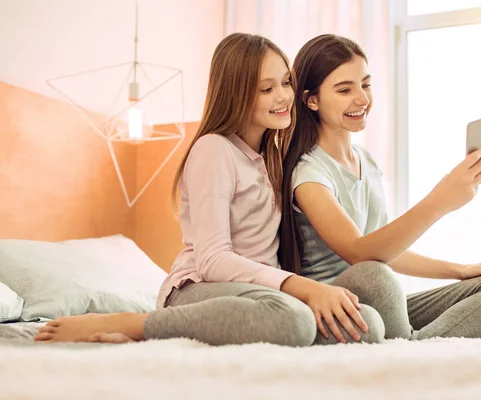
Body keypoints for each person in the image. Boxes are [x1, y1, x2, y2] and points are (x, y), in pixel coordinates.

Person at [34, 33, 383, 346]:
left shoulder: (272, 156)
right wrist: (300, 286)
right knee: (292, 319)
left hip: (257, 294)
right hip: (198, 290)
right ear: (236, 94)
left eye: (286, 82)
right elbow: (213, 260)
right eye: (266, 89)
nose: (283, 97)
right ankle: (134, 323)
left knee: (364, 322)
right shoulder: (214, 150)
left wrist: (314, 291)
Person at [279, 34, 481, 341]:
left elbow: (387, 251)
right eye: (345, 89)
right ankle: (411, 344)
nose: (362, 99)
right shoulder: (308, 172)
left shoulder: (365, 161)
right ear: (311, 100)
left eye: (365, 85)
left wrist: (461, 270)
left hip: (380, 297)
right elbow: (360, 254)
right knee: (373, 275)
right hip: (337, 305)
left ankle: (416, 344)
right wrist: (440, 201)